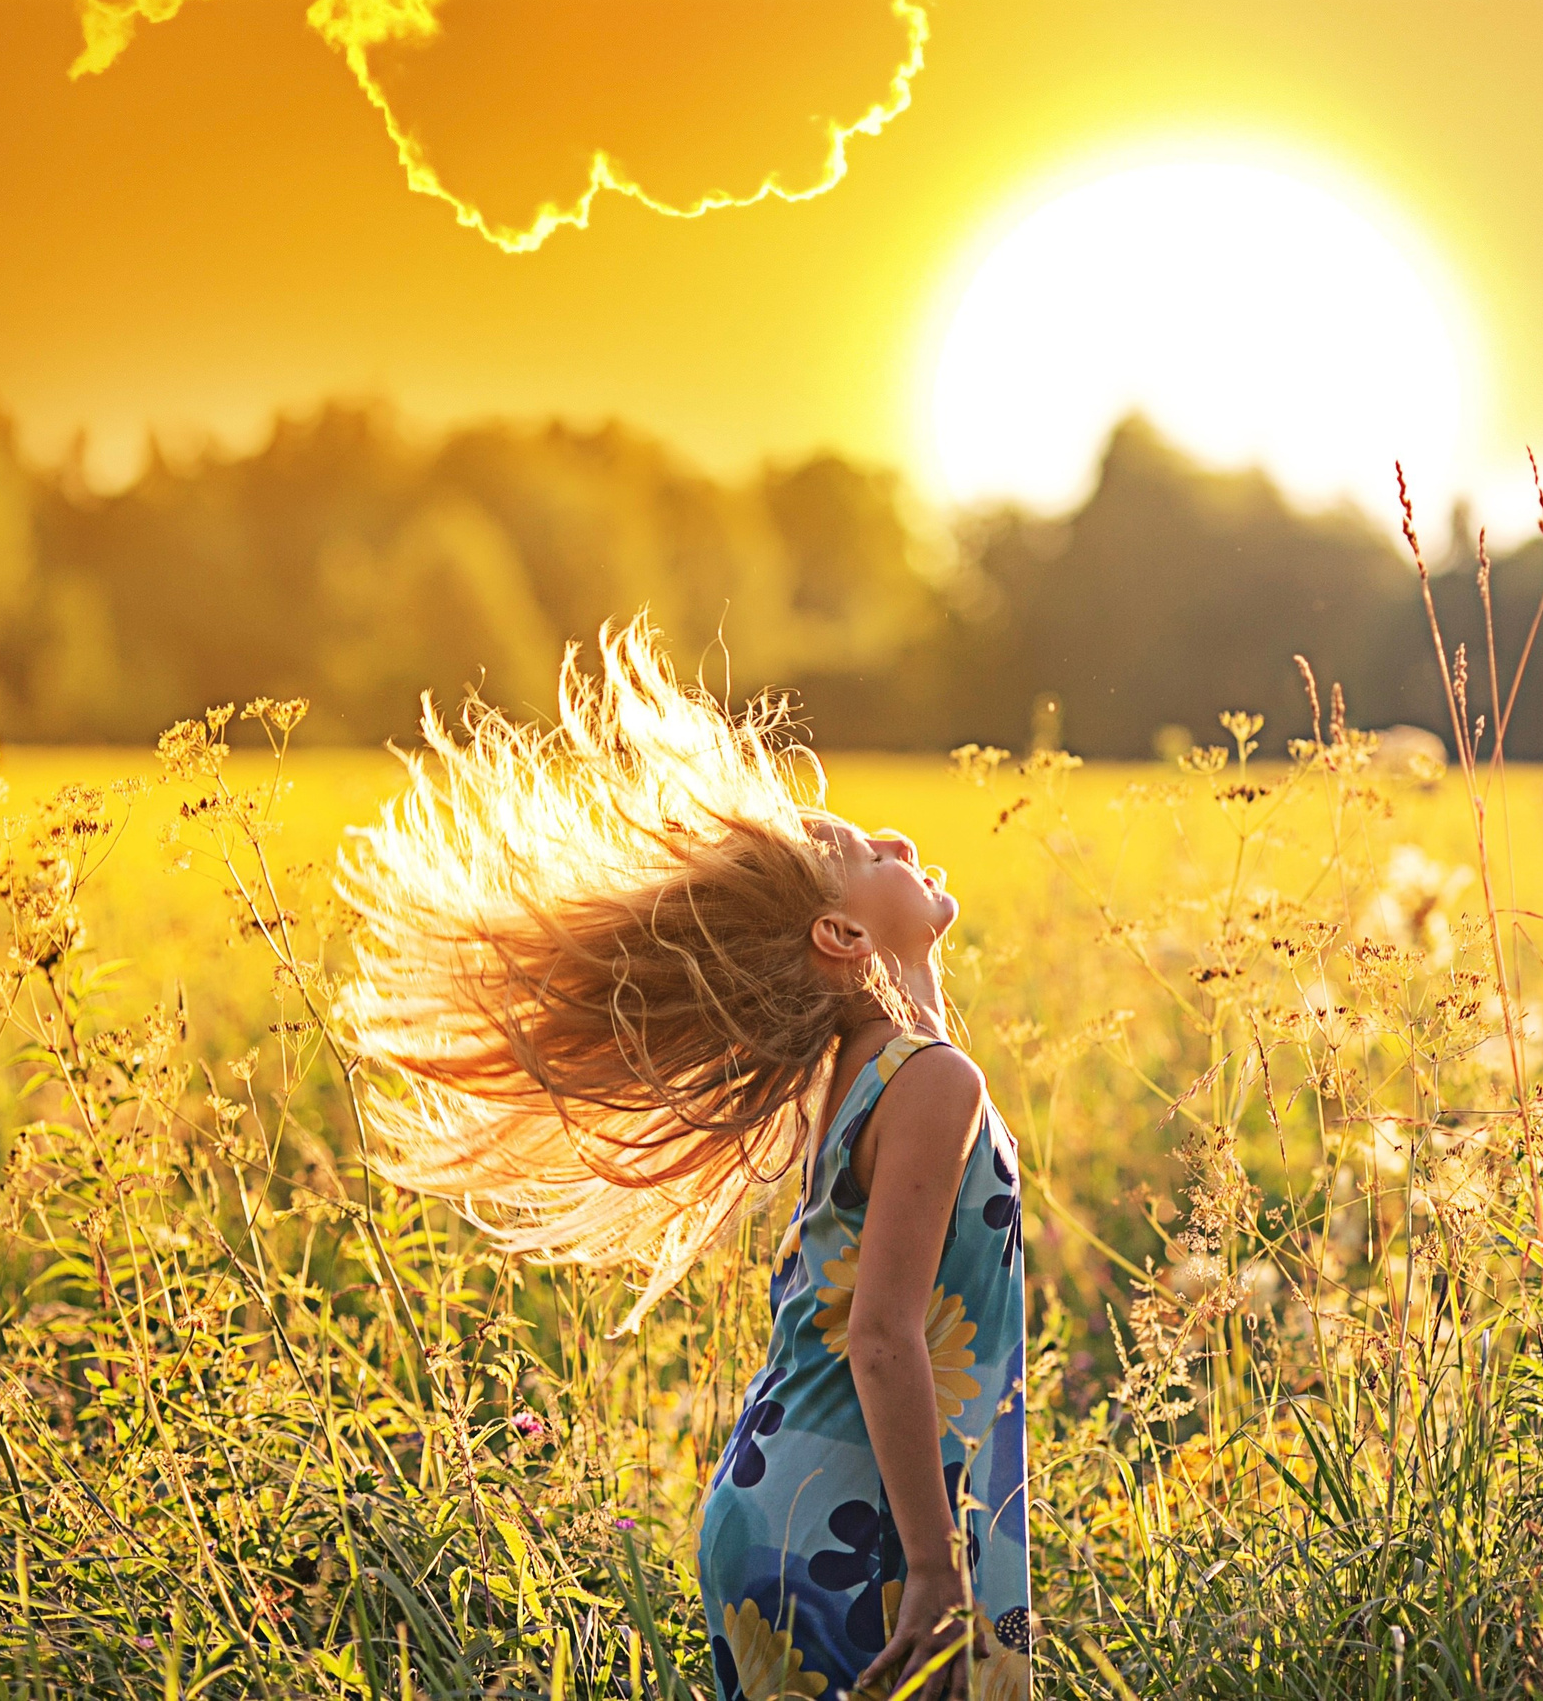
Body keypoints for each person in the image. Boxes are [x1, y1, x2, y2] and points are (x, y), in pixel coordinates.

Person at [337, 620, 1031, 1701]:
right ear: (842, 941)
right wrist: (936, 1566)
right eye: (865, 854)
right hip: (862, 1524)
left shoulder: (872, 1076)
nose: (896, 838)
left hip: (791, 1499)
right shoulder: (932, 1082)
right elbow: (882, 1333)